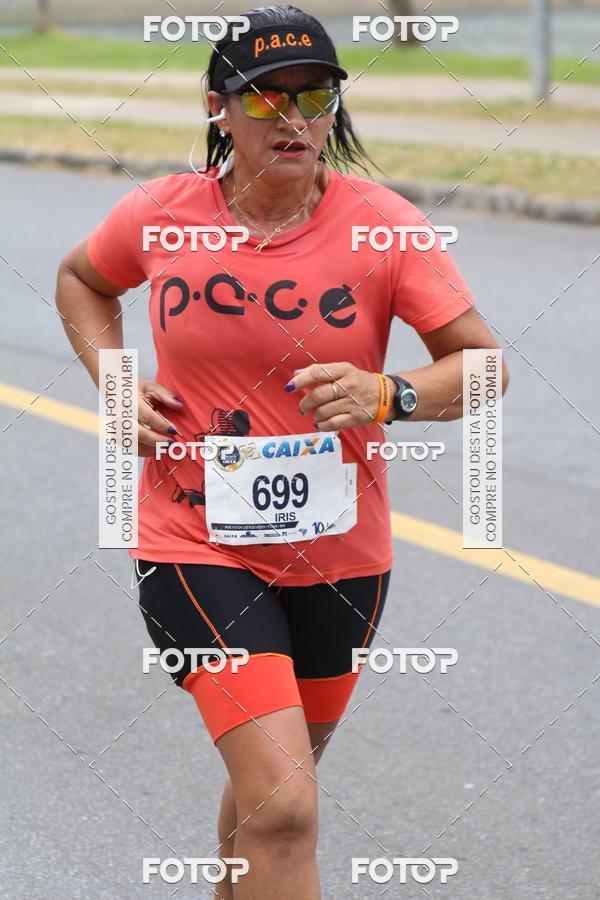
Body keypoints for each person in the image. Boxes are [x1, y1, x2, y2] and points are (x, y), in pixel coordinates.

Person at [56, 5, 509, 897]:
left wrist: (394, 394)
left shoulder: (384, 227)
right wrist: (112, 380)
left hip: (342, 559)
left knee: (271, 796)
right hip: (195, 544)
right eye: (265, 100)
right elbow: (82, 280)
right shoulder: (162, 214)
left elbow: (485, 366)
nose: (293, 118)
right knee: (291, 803)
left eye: (314, 96)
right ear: (219, 110)